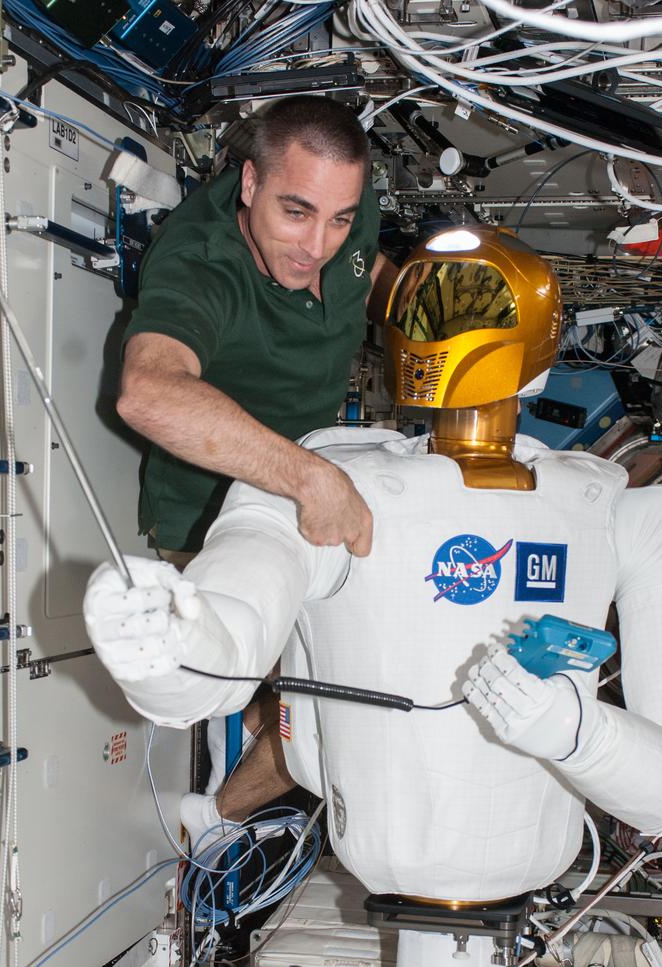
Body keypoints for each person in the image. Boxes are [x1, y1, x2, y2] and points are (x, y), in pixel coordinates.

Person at [85, 232, 662, 967]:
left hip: (471, 890)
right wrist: (163, 636)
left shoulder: (628, 515)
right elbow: (225, 641)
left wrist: (567, 727)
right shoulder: (332, 482)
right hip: (396, 859)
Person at [117, 94, 398, 818]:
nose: (317, 246)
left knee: (333, 692)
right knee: (327, 706)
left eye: (339, 219)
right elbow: (147, 393)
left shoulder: (338, 201)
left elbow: (372, 271)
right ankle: (207, 828)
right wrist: (309, 478)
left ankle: (233, 757)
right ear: (248, 185)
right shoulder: (202, 262)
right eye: (295, 213)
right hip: (214, 515)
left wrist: (431, 317)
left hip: (313, 488)